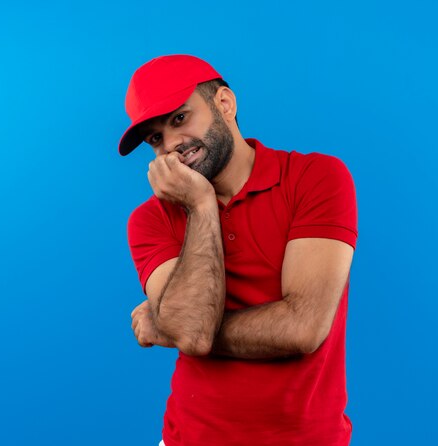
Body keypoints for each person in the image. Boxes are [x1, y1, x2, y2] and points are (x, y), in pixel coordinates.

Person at [120, 54, 358, 446]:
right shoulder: (149, 220)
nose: (172, 146)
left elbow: (302, 329)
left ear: (225, 104)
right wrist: (201, 206)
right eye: (155, 138)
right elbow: (192, 335)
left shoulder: (316, 179)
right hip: (189, 437)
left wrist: (169, 326)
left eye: (179, 118)